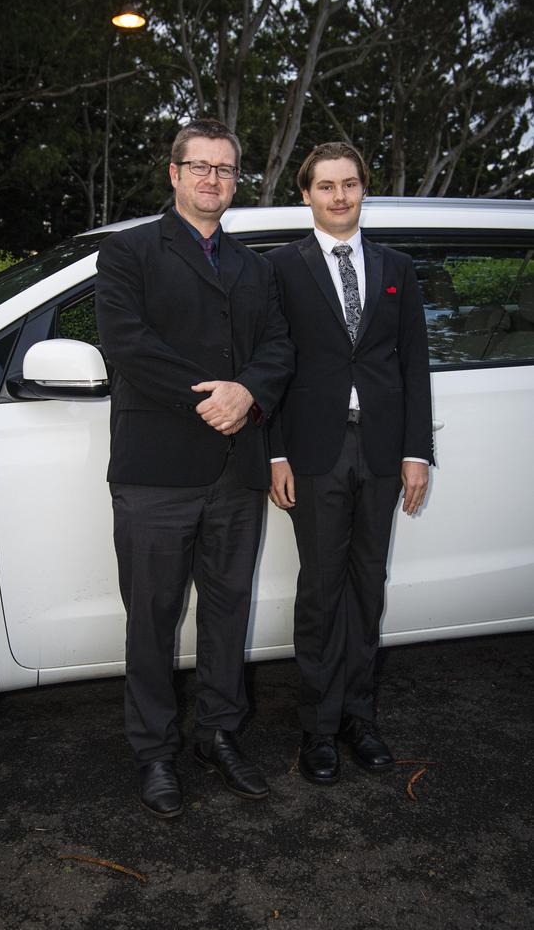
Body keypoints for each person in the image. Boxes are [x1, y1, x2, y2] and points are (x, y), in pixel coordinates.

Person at [95, 118, 294, 818]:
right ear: (174, 173)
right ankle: (155, 752)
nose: (214, 179)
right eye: (201, 166)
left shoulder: (255, 267)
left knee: (226, 612)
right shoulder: (128, 254)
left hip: (236, 471)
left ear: (237, 180)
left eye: (226, 169)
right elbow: (128, 345)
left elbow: (277, 347)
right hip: (156, 472)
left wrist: (252, 393)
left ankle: (218, 733)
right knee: (151, 620)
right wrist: (212, 400)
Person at [267, 142, 433, 785]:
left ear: (365, 191)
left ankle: (360, 720)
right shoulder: (281, 268)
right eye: (326, 186)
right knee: (321, 590)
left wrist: (416, 452)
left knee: (368, 589)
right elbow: (272, 365)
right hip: (314, 451)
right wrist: (276, 449)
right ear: (306, 194)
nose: (339, 197)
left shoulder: (396, 266)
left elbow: (412, 365)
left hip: (385, 452)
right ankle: (319, 728)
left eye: (351, 185)